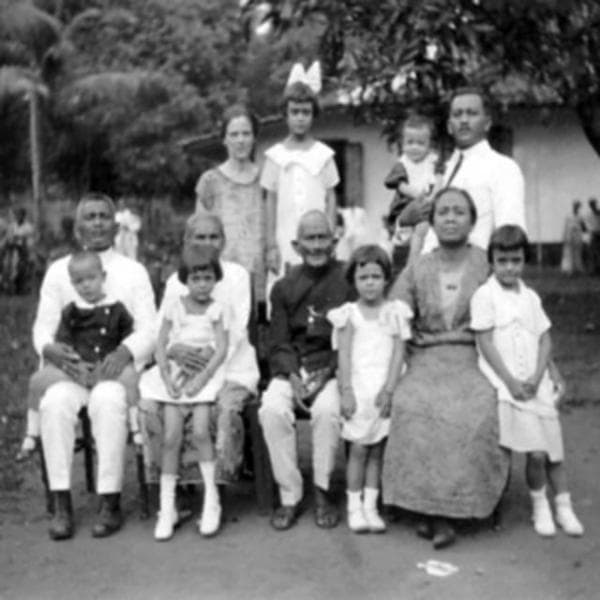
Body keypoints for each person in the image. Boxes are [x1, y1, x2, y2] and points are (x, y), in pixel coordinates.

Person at [383, 187, 510, 550]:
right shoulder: (419, 266)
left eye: (459, 212)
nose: (451, 218)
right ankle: (431, 510)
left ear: (472, 221)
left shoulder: (487, 263)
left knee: (475, 407)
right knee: (414, 403)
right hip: (427, 357)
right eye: (443, 212)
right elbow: (397, 306)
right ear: (433, 221)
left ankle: (457, 507)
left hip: (475, 355)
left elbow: (512, 309)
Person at [33, 193, 156, 541]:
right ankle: (61, 502)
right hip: (72, 369)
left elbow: (149, 326)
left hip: (115, 370)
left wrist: (125, 352)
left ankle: (109, 500)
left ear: (116, 225)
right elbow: (43, 326)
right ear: (77, 227)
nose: (98, 222)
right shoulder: (58, 271)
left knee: (108, 401)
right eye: (90, 217)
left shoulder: (134, 271)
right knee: (55, 404)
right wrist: (52, 351)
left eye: (104, 215)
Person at [471, 225, 584, 538]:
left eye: (516, 260)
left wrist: (540, 375)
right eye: (503, 260)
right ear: (492, 262)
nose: (510, 267)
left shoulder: (530, 297)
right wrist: (510, 381)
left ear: (524, 260)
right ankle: (540, 505)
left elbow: (544, 339)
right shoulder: (484, 295)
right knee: (534, 451)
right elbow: (485, 342)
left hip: (537, 383)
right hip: (508, 386)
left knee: (553, 451)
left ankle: (564, 505)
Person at [139, 213, 259, 487]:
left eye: (214, 236)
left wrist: (208, 356)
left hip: (229, 363)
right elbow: (163, 330)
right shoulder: (175, 280)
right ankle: (173, 486)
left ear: (224, 240)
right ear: (186, 241)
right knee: (152, 406)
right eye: (200, 237)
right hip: (182, 364)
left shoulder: (236, 275)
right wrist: (175, 349)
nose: (208, 243)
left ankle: (214, 487)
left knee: (223, 409)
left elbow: (237, 328)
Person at [258, 210, 354, 531]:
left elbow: (353, 336)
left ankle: (323, 490)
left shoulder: (348, 280)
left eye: (322, 237)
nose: (316, 246)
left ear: (334, 241)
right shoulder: (284, 288)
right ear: (296, 245)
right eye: (309, 239)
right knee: (271, 409)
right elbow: (278, 341)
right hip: (294, 368)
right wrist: (294, 376)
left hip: (333, 367)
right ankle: (290, 494)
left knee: (327, 410)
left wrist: (328, 373)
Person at [17, 250, 136, 461]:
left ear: (103, 277)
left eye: (91, 278)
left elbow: (128, 339)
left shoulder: (117, 309)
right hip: (77, 370)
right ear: (72, 284)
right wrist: (73, 362)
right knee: (37, 381)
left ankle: (137, 428)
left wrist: (120, 356)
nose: (86, 285)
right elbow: (64, 342)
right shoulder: (71, 312)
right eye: (79, 281)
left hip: (105, 369)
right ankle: (32, 434)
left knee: (130, 378)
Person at [143, 246, 228, 540]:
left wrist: (202, 378)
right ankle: (167, 508)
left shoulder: (217, 309)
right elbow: (160, 343)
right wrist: (166, 377)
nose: (202, 284)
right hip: (176, 376)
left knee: (203, 432)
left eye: (207, 278)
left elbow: (222, 348)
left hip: (204, 377)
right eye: (196, 278)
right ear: (185, 280)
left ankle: (211, 501)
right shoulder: (174, 306)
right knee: (170, 438)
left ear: (215, 279)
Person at [327, 245, 411, 533]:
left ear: (387, 278)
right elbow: (344, 356)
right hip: (360, 389)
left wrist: (389, 389)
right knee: (359, 449)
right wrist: (346, 390)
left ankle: (371, 507)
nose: (371, 283)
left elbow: (399, 354)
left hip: (382, 390)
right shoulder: (349, 315)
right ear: (354, 281)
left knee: (377, 450)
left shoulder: (395, 312)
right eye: (364, 278)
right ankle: (353, 506)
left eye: (376, 276)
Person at [402, 87, 526, 253]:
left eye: (472, 113)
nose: (464, 120)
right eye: (457, 114)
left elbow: (510, 232)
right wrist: (406, 219)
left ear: (487, 123)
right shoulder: (441, 170)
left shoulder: (503, 168)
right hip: (428, 270)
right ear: (449, 126)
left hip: (474, 271)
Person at [260, 63, 339, 278]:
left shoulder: (324, 155)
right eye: (295, 112)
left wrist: (330, 237)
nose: (300, 118)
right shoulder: (275, 156)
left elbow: (331, 198)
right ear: (285, 114)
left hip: (318, 242)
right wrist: (271, 245)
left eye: (306, 112)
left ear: (314, 115)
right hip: (285, 238)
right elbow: (270, 201)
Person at [195, 104, 266, 301]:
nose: (240, 140)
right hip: (222, 274)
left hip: (259, 273)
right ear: (224, 139)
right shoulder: (210, 181)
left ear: (254, 137)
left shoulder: (267, 179)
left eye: (246, 134)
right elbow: (198, 235)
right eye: (234, 135)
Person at [384, 114, 440, 269]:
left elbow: (440, 179)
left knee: (426, 234)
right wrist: (417, 194)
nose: (414, 147)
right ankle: (407, 264)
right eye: (410, 142)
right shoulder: (402, 164)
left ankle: (419, 260)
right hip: (406, 205)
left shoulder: (433, 161)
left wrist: (434, 194)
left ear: (429, 145)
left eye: (421, 143)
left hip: (428, 205)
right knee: (404, 239)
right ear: (402, 144)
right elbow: (400, 185)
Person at [560, 200, 586, 275]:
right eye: (575, 205)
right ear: (573, 206)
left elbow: (584, 227)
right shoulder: (568, 216)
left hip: (577, 235)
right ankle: (568, 269)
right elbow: (565, 227)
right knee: (568, 253)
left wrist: (580, 228)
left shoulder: (581, 216)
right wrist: (564, 237)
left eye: (578, 206)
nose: (576, 207)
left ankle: (577, 269)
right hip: (569, 236)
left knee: (577, 252)